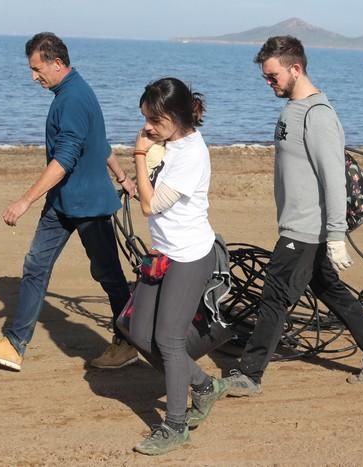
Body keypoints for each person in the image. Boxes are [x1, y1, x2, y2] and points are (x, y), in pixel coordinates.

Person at [221, 36, 363, 396]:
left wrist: (335, 236)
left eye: (273, 76)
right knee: (329, 289)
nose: (269, 83)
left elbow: (334, 180)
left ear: (295, 68)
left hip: (305, 229)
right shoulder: (293, 109)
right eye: (265, 77)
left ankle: (250, 374)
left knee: (274, 295)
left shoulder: (318, 116)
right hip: (298, 224)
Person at [0, 32, 138, 371]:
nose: (33, 77)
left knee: (109, 275)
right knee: (36, 267)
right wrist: (122, 176)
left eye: (37, 69)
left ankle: (129, 341)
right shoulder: (71, 91)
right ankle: (14, 345)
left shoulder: (73, 98)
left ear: (57, 63)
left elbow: (66, 158)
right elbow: (99, 143)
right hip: (63, 203)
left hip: (88, 204)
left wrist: (24, 201)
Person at [128, 77, 226, 456]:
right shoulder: (168, 145)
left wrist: (139, 155)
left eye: (155, 119)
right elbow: (149, 190)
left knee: (168, 340)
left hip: (188, 255)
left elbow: (151, 205)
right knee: (139, 332)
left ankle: (175, 426)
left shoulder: (191, 155)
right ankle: (204, 384)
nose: (147, 127)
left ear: (177, 116)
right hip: (163, 251)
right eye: (145, 119)